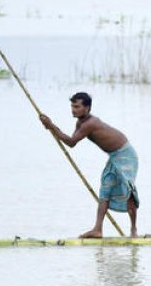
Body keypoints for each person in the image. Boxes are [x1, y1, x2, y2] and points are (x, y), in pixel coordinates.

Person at [39, 92, 139, 238]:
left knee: (127, 189)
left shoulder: (90, 123)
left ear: (87, 108)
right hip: (114, 156)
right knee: (105, 189)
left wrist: (51, 126)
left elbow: (71, 142)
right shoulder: (80, 123)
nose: (73, 110)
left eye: (77, 106)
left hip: (126, 155)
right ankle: (98, 229)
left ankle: (133, 230)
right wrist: (51, 126)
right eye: (72, 106)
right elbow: (70, 140)